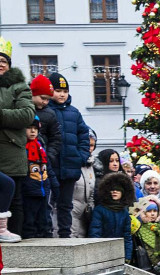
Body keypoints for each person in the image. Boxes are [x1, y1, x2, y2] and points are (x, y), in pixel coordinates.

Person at [47, 72, 90, 239]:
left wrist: (81, 157)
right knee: (49, 203)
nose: (62, 94)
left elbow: (83, 135)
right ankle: (47, 234)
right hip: (52, 166)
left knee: (66, 204)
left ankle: (65, 235)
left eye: (65, 91)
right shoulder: (47, 111)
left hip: (70, 167)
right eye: (58, 91)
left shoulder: (74, 112)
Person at [0, 40, 33, 239]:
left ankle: (15, 243)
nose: (0, 64)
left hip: (12, 151)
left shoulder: (19, 86)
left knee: (14, 200)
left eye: (3, 61)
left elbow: (27, 115)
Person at [29, 74, 60, 218]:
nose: (45, 102)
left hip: (44, 161)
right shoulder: (24, 109)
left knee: (46, 197)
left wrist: (49, 155)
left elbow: (56, 138)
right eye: (43, 98)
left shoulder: (50, 114)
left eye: (48, 99)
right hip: (27, 161)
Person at [88, 172, 134, 262]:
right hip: (102, 254)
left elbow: (127, 236)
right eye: (112, 189)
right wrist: (97, 254)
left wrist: (127, 256)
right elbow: (95, 234)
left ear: (123, 192)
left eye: (118, 189)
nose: (114, 191)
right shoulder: (99, 210)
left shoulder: (124, 212)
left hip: (119, 253)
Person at [21, 118, 51, 239]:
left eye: (35, 129)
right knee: (29, 220)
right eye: (29, 128)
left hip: (43, 188)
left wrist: (51, 184)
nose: (33, 131)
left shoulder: (41, 146)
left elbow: (48, 166)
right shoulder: (23, 148)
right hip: (29, 189)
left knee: (44, 219)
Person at [131, 198, 160, 274]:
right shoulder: (139, 229)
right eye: (149, 211)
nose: (152, 214)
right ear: (143, 213)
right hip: (145, 267)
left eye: (155, 211)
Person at [70, 130, 96, 238]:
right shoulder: (71, 161)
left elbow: (91, 190)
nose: (89, 148)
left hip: (84, 215)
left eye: (92, 145)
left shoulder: (90, 165)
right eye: (87, 145)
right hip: (70, 213)